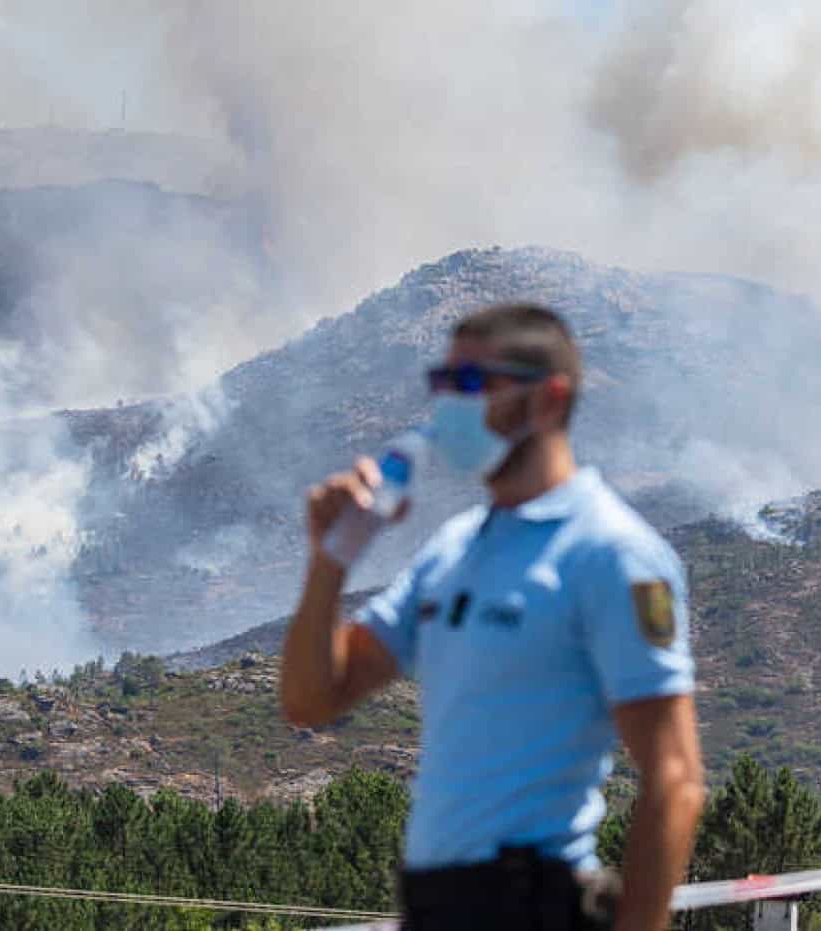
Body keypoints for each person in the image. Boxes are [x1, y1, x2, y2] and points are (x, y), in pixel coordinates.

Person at [280, 303, 705, 931]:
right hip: (434, 907)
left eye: (474, 385)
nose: (451, 405)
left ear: (550, 401)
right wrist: (329, 562)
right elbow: (312, 701)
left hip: (533, 902)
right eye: (444, 384)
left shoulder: (614, 554)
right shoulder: (452, 550)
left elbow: (675, 775)